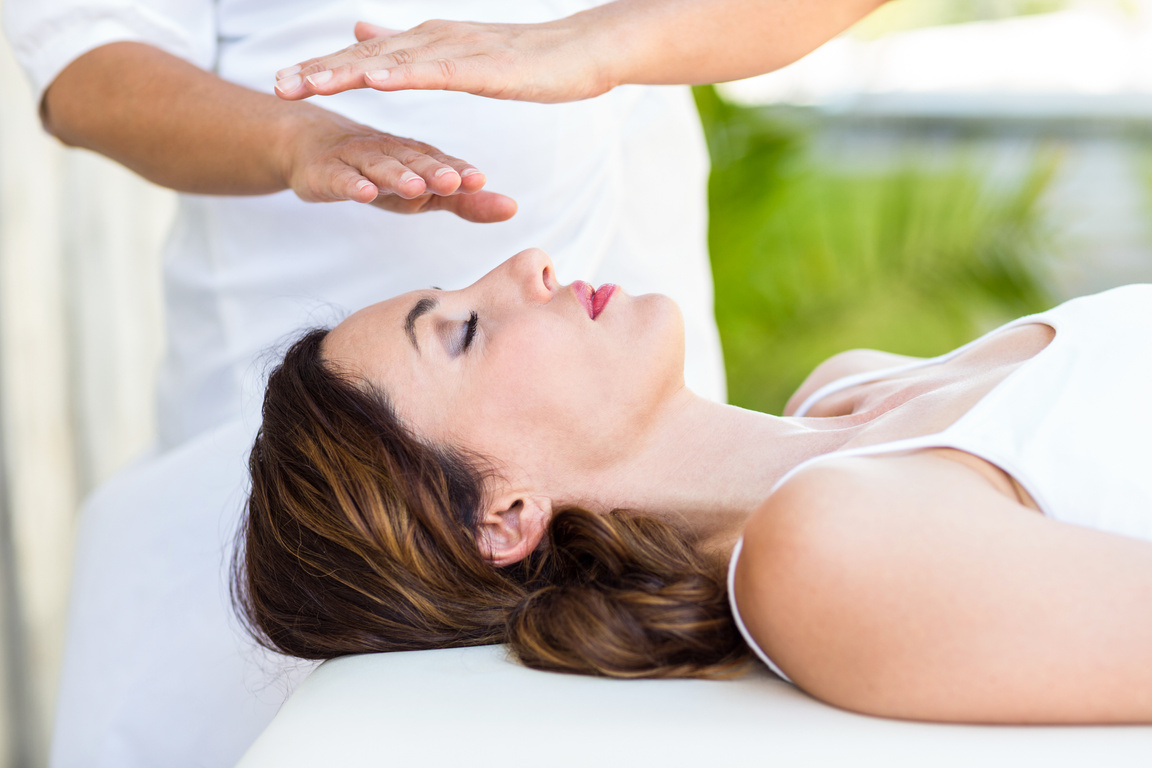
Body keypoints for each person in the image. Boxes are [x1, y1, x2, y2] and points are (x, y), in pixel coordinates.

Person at [238, 248, 1152, 724]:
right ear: (504, 515)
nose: (529, 268)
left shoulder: (853, 385)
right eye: (464, 331)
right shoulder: (824, 550)